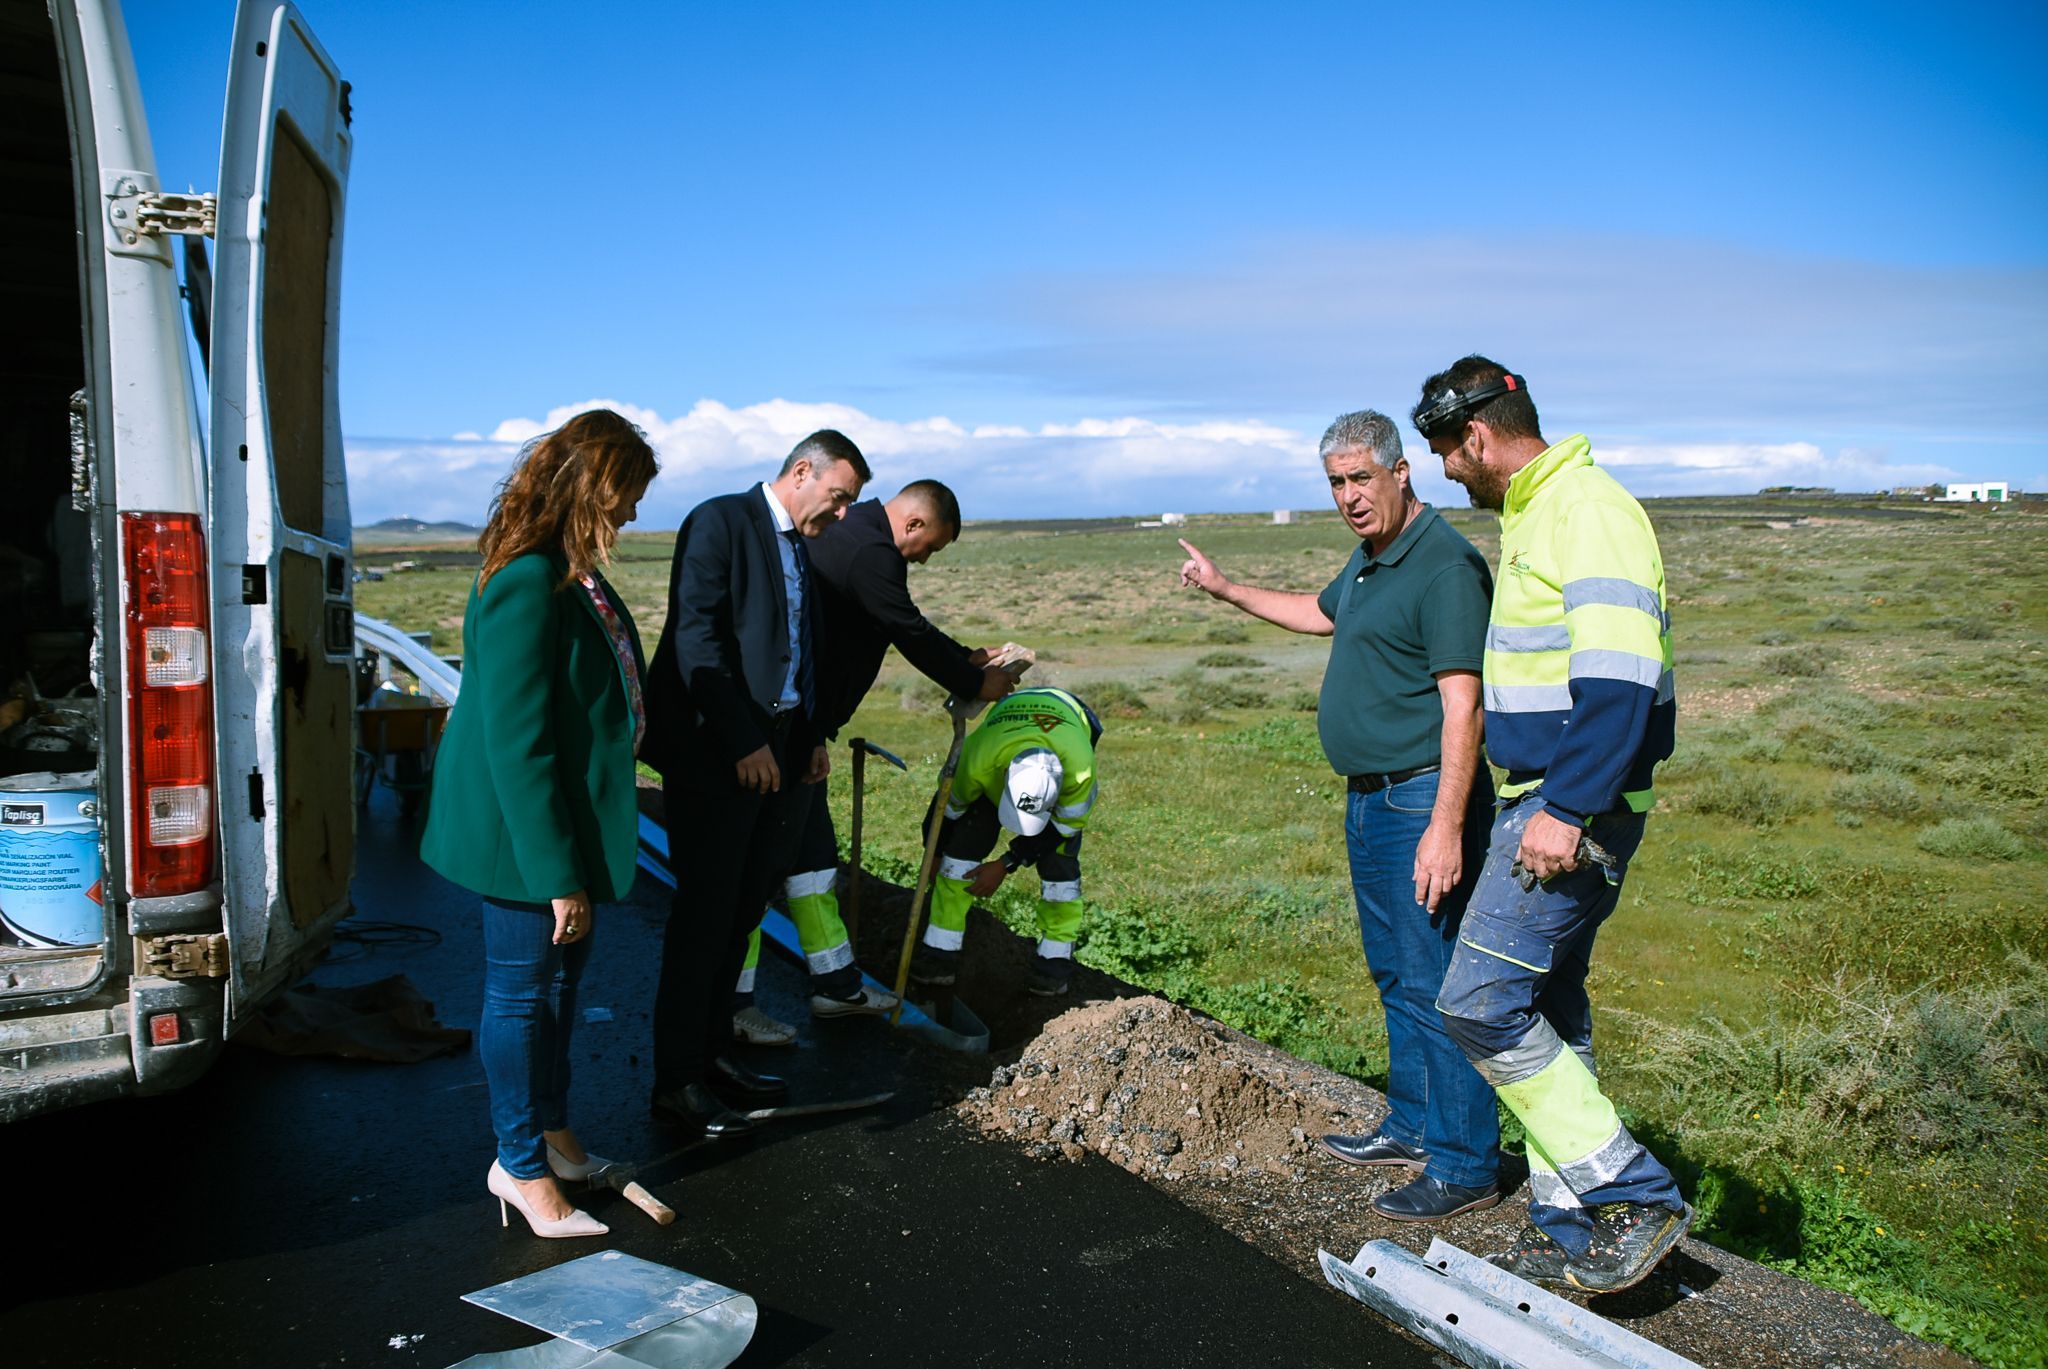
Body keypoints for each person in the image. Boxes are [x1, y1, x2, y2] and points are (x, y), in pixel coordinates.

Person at [1177, 409, 1501, 1223]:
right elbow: (1318, 613)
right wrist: (1224, 588)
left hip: (1421, 795)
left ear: (1401, 472)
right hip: (1370, 797)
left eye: (1362, 478)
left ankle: (1465, 1162)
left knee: (1436, 980)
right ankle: (1412, 1126)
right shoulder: (1371, 561)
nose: (1349, 496)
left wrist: (1446, 824)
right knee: (1396, 972)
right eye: (1335, 483)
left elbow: (1465, 705)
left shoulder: (1445, 566)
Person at [1415, 356, 1690, 1292]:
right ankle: (1569, 1216)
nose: (1451, 472)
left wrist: (1565, 807)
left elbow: (1619, 677)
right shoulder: (1538, 509)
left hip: (1570, 805)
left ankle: (1633, 1194)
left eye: (1452, 454)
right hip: (1553, 795)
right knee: (1547, 1007)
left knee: (1479, 1004)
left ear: (1480, 436)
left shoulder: (1586, 508)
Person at [419, 409, 658, 1238]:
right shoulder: (526, 577)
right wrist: (557, 875)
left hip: (566, 822)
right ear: (593, 486)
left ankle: (552, 1137)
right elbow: (517, 745)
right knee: (521, 997)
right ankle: (518, 1166)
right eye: (626, 496)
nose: (632, 515)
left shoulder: (569, 567)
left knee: (560, 989)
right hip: (523, 837)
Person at [731, 479, 1017, 1044]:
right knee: (759, 870)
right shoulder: (870, 550)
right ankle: (733, 1005)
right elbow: (904, 627)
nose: (925, 559)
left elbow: (892, 620)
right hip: (780, 732)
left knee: (813, 860)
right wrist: (974, 679)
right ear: (913, 524)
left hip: (803, 728)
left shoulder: (859, 539)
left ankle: (836, 985)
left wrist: (961, 656)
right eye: (929, 547)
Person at [641, 429, 869, 1136]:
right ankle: (677, 1079)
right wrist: (743, 739)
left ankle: (713, 1059)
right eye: (836, 499)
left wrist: (810, 739)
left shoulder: (798, 542)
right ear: (802, 470)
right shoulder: (721, 521)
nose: (839, 517)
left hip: (780, 755)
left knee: (741, 912)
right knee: (704, 921)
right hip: (717, 755)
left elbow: (798, 650)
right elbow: (698, 640)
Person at [909, 685, 1101, 998]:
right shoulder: (977, 759)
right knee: (958, 855)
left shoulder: (1080, 771)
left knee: (1059, 869)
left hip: (1072, 717)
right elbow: (945, 809)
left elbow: (1063, 828)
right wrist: (934, 853)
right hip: (1001, 740)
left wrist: (1006, 863)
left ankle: (1054, 964)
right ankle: (939, 956)